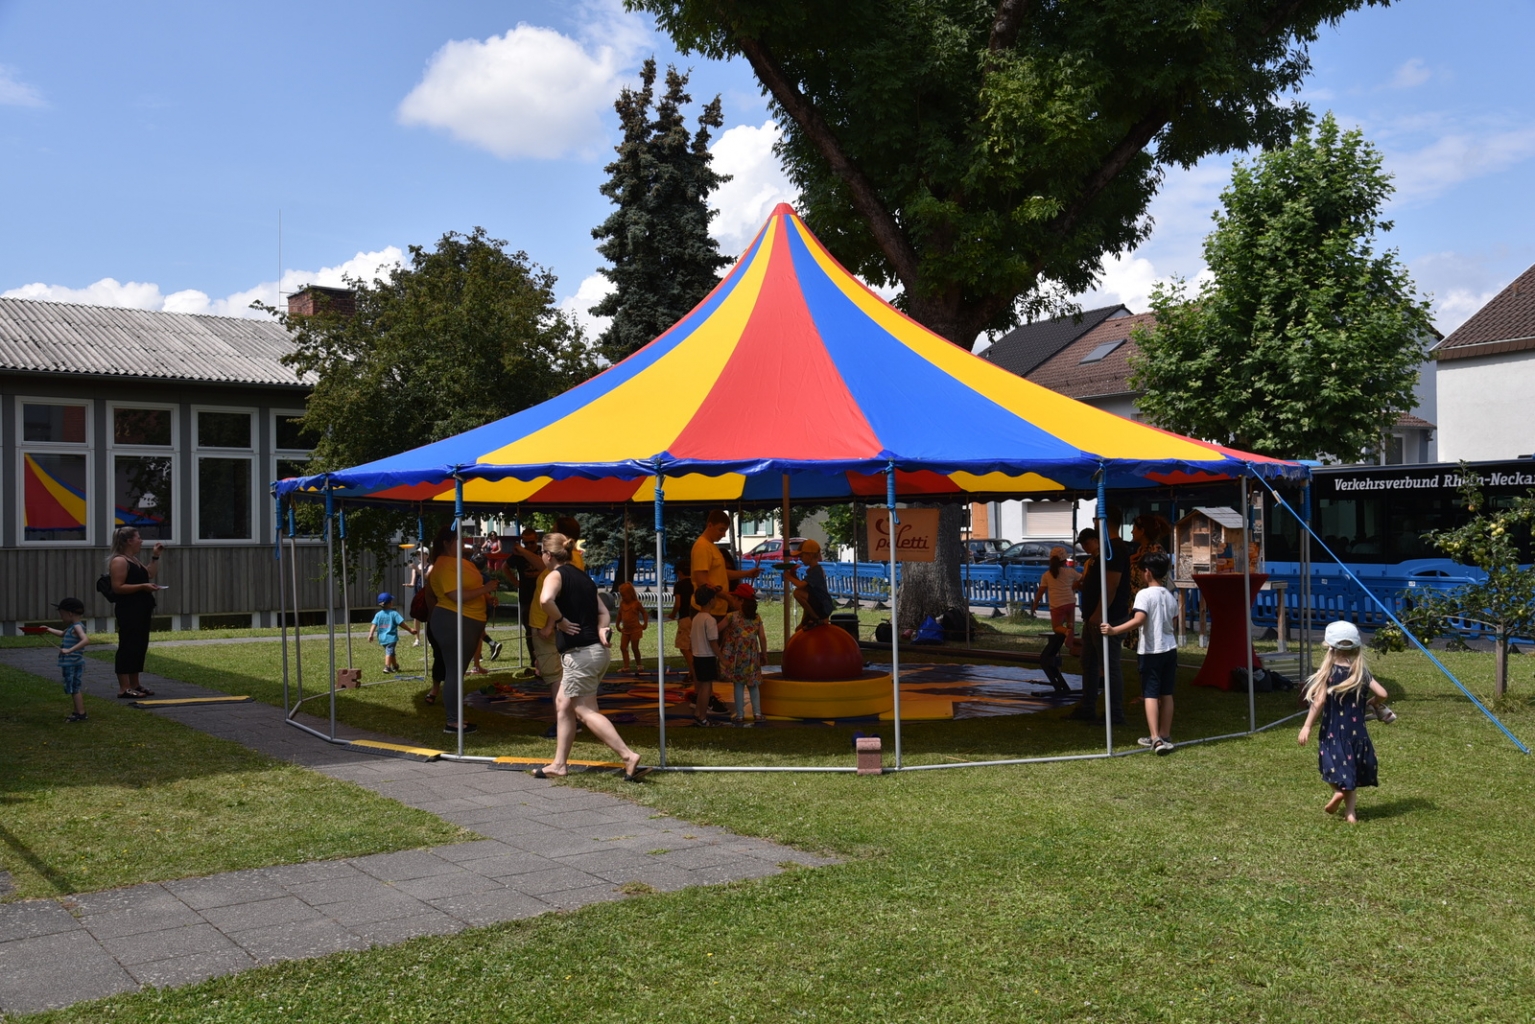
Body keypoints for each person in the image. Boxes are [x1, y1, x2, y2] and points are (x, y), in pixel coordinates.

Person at [534, 533, 644, 781]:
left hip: (580, 655)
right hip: (596, 652)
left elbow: (545, 600)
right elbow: (604, 612)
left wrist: (560, 621)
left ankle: (628, 755)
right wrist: (602, 628)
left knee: (583, 710)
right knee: (563, 704)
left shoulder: (555, 575)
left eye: (541, 552)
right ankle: (559, 764)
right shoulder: (584, 578)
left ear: (548, 555)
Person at [1298, 621, 1393, 823]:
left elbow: (1320, 701)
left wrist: (1307, 726)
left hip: (1333, 731)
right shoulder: (1361, 672)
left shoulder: (1329, 672)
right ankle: (1350, 814)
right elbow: (1383, 693)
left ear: (1330, 648)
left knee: (1332, 767)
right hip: (1357, 732)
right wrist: (1375, 703)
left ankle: (1338, 793)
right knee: (1351, 769)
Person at [1100, 552, 1178, 753]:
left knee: (1150, 694)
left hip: (1152, 650)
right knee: (1167, 693)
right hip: (1170, 648)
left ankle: (1155, 739)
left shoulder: (1144, 594)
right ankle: (1165, 733)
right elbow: (1174, 621)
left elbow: (1139, 619)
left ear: (1148, 572)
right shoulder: (1169, 595)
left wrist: (1114, 630)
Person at [428, 525, 499, 734]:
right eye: (459, 540)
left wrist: (487, 596)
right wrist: (485, 589)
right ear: (447, 543)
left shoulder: (459, 563)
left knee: (457, 671)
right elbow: (455, 596)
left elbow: (470, 588)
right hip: (453, 620)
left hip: (468, 621)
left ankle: (456, 718)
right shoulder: (444, 564)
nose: (463, 544)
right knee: (454, 671)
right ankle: (453, 721)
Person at [1071, 526, 1130, 725]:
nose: (1086, 548)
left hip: (1104, 618)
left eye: (1087, 543)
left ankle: (1114, 713)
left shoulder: (1113, 551)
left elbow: (1111, 586)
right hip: (1092, 617)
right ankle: (1087, 706)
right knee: (1088, 662)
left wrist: (1098, 614)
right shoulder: (1096, 558)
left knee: (1109, 666)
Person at [108, 526, 163, 699]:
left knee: (140, 645)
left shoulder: (133, 560)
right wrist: (142, 587)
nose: (141, 541)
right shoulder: (119, 561)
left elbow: (150, 574)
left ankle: (135, 684)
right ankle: (124, 688)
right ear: (128, 541)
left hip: (141, 608)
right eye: (138, 538)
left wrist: (155, 556)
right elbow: (118, 587)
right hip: (128, 610)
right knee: (128, 645)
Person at [691, 511, 760, 617]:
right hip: (706, 609)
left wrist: (746, 573)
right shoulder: (702, 546)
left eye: (725, 531)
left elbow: (722, 573)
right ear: (710, 525)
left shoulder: (711, 546)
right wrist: (727, 597)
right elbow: (702, 582)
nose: (723, 535)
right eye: (721, 529)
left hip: (715, 608)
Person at [1030, 546, 1080, 693]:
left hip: (1057, 605)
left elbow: (1041, 591)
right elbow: (1082, 579)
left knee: (1056, 627)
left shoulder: (1047, 575)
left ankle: (1066, 632)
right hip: (1070, 602)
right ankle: (1070, 629)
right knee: (1070, 620)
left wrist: (1036, 603)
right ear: (1065, 560)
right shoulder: (1070, 572)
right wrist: (1076, 584)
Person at [721, 594, 768, 726]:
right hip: (752, 656)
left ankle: (740, 715)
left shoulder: (732, 616)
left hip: (737, 656)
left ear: (741, 602)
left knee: (738, 684)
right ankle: (757, 713)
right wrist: (764, 654)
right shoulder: (756, 618)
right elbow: (762, 637)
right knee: (753, 684)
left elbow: (717, 628)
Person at [44, 597, 90, 722]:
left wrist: (69, 650)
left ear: (69, 613)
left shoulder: (77, 627)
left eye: (62, 614)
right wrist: (47, 629)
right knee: (72, 687)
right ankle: (77, 711)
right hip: (69, 663)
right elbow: (61, 634)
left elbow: (85, 640)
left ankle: (81, 713)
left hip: (73, 663)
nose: (61, 617)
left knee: (74, 688)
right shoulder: (72, 627)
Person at [689, 585, 722, 726]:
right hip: (707, 656)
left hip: (697, 655)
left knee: (701, 687)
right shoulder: (710, 620)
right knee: (706, 688)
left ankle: (698, 713)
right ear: (710, 601)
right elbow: (713, 642)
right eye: (715, 598)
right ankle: (702, 717)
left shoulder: (696, 618)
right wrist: (722, 658)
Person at [511, 528, 545, 664]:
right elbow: (505, 567)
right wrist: (516, 582)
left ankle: (545, 659)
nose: (530, 546)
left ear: (536, 538)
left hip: (542, 596)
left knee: (544, 629)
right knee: (530, 630)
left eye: (532, 542)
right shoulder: (518, 554)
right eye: (526, 543)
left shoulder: (543, 552)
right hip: (526, 596)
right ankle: (534, 660)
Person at [790, 539, 835, 629]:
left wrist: (788, 576)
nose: (800, 559)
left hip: (822, 607)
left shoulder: (816, 570)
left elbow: (800, 586)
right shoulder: (812, 570)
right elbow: (805, 587)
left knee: (797, 593)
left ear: (810, 555)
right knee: (798, 629)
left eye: (801, 556)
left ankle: (816, 618)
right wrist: (793, 575)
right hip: (818, 605)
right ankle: (812, 618)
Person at [368, 592, 416, 674]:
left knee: (391, 652)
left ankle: (395, 666)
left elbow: (373, 625)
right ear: (390, 603)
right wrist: (410, 629)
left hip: (382, 638)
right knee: (389, 651)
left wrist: (371, 634)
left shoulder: (378, 615)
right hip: (391, 637)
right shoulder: (394, 614)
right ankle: (387, 667)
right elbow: (401, 624)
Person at [616, 581, 647, 673]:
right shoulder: (622, 604)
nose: (623, 597)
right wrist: (617, 624)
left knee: (635, 648)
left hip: (635, 629)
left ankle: (639, 665)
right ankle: (626, 666)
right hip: (625, 630)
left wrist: (645, 623)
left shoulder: (636, 604)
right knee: (623, 647)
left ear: (630, 594)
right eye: (622, 595)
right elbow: (619, 615)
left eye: (624, 595)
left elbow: (644, 613)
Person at [672, 577, 696, 682]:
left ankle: (694, 673)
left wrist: (672, 614)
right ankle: (692, 673)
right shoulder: (695, 583)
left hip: (685, 618)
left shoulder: (679, 585)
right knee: (692, 647)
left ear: (679, 572)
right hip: (695, 617)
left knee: (684, 647)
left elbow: (678, 604)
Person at [408, 547, 431, 646]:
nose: (419, 556)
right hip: (417, 593)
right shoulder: (416, 567)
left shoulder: (431, 566)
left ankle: (430, 639)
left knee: (429, 616)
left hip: (428, 593)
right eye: (418, 554)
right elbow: (413, 581)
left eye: (421, 554)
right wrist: (410, 585)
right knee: (416, 616)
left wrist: (417, 569)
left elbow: (426, 576)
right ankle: (417, 639)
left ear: (427, 555)